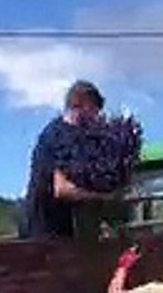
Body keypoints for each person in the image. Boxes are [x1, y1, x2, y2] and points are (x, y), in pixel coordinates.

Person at [21, 80, 119, 240]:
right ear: (79, 103)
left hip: (55, 229)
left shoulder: (67, 134)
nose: (96, 118)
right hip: (46, 233)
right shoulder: (62, 135)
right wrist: (103, 197)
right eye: (93, 110)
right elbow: (63, 189)